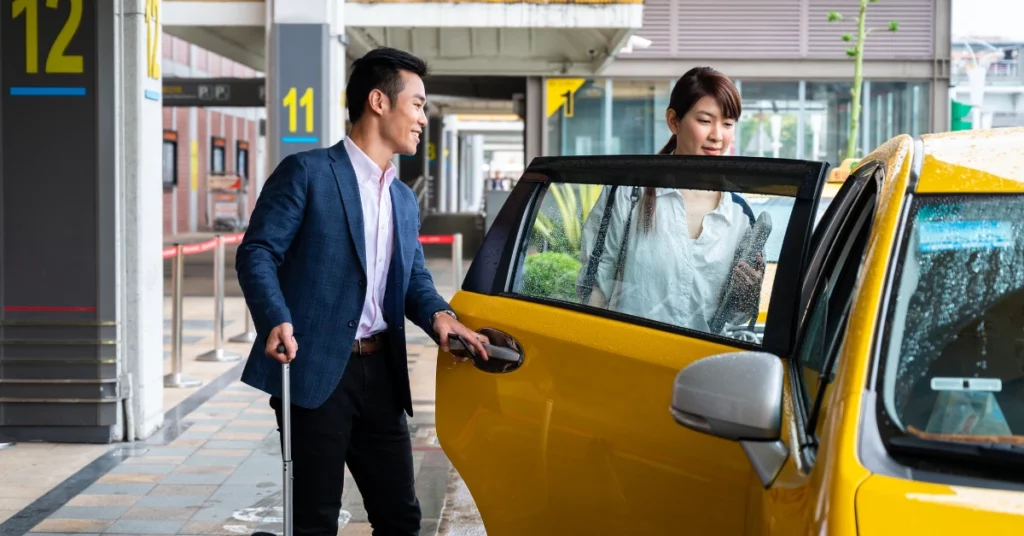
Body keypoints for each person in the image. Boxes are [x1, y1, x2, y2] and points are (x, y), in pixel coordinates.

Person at [236, 47, 489, 536]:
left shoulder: (400, 196)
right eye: (416, 104)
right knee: (314, 521)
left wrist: (440, 316)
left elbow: (413, 278)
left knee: (401, 518)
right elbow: (258, 252)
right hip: (313, 370)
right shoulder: (308, 173)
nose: (422, 118)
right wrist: (275, 317)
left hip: (381, 375)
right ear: (378, 101)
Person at [576, 66, 765, 336]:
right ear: (674, 121)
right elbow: (593, 289)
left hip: (704, 368)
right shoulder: (627, 195)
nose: (717, 135)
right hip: (631, 360)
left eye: (727, 123)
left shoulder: (740, 214)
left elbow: (733, 319)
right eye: (704, 120)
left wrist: (746, 291)